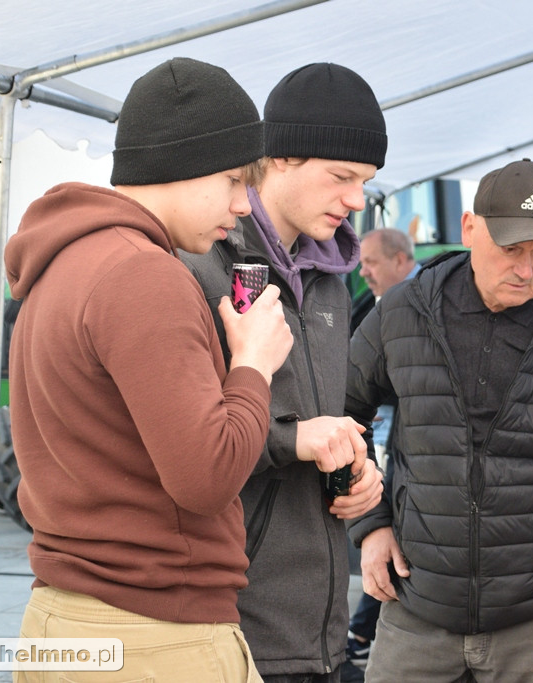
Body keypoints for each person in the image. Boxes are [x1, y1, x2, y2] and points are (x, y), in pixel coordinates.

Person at [4, 57, 293, 682]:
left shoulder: (64, 261)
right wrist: (252, 364)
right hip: (150, 636)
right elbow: (206, 475)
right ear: (182, 164)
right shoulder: (142, 273)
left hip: (61, 617)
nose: (245, 206)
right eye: (234, 179)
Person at [345, 158, 533, 683]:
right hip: (417, 611)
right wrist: (369, 525)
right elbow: (340, 416)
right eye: (511, 250)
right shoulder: (402, 312)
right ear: (469, 228)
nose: (526, 270)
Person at [179, 62, 386, 682]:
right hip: (228, 623)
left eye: (367, 182)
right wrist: (297, 440)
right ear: (279, 159)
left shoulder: (329, 279)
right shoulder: (200, 264)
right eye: (342, 177)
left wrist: (355, 466)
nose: (357, 200)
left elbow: (320, 409)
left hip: (316, 631)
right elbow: (185, 438)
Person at [342, 227, 419, 683]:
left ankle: (357, 633)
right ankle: (358, 632)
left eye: (370, 262)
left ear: (399, 260)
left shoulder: (422, 305)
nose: (363, 271)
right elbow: (351, 401)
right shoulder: (370, 307)